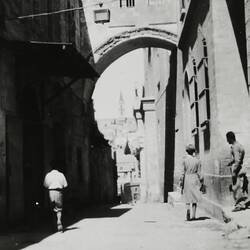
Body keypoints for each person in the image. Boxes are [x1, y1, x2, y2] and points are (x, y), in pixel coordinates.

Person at [180, 144, 203, 221]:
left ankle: (188, 210)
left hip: (187, 178)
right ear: (193, 151)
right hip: (195, 178)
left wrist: (181, 182)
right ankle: (193, 215)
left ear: (187, 151)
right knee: (194, 197)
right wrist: (201, 181)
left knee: (187, 197)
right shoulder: (197, 160)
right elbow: (200, 173)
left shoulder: (184, 160)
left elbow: (182, 173)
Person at [44, 161, 68, 232]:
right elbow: (65, 185)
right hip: (59, 191)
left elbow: (45, 185)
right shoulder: (61, 175)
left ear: (51, 167)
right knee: (59, 209)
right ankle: (59, 221)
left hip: (51, 191)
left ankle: (54, 225)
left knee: (52, 209)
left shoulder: (48, 175)